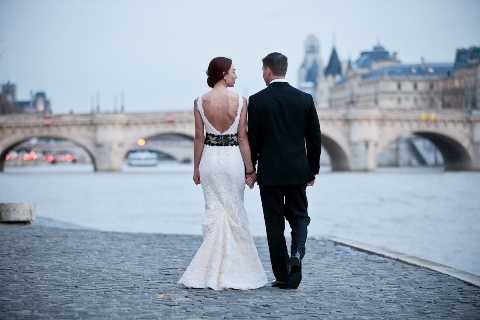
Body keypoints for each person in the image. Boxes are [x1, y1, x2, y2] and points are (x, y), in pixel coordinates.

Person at [177, 57, 268, 290]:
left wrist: (196, 168)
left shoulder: (199, 101)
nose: (236, 76)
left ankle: (209, 268)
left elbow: (199, 137)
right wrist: (250, 169)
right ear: (224, 74)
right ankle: (237, 269)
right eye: (234, 72)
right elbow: (242, 138)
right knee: (235, 210)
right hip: (232, 160)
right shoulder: (240, 101)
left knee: (214, 210)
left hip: (210, 159)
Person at [247, 52, 322, 289]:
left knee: (274, 224)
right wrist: (312, 170)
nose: (262, 75)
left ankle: (282, 275)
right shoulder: (305, 99)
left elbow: (254, 140)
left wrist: (252, 168)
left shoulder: (257, 100)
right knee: (300, 216)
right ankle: (297, 254)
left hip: (269, 173)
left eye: (262, 71)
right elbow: (314, 139)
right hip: (298, 171)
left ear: (268, 70)